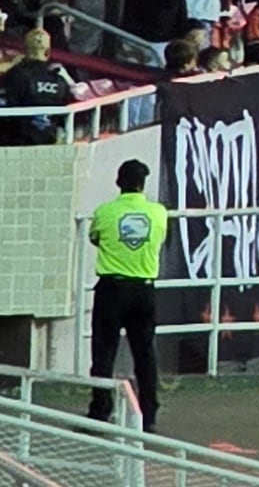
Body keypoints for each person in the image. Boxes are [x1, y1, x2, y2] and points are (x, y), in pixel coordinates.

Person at [90, 153, 163, 424]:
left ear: (118, 182)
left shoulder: (105, 212)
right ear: (143, 184)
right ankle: (148, 414)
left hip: (112, 288)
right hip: (144, 289)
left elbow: (95, 238)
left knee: (103, 354)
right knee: (145, 354)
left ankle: (100, 410)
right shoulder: (158, 213)